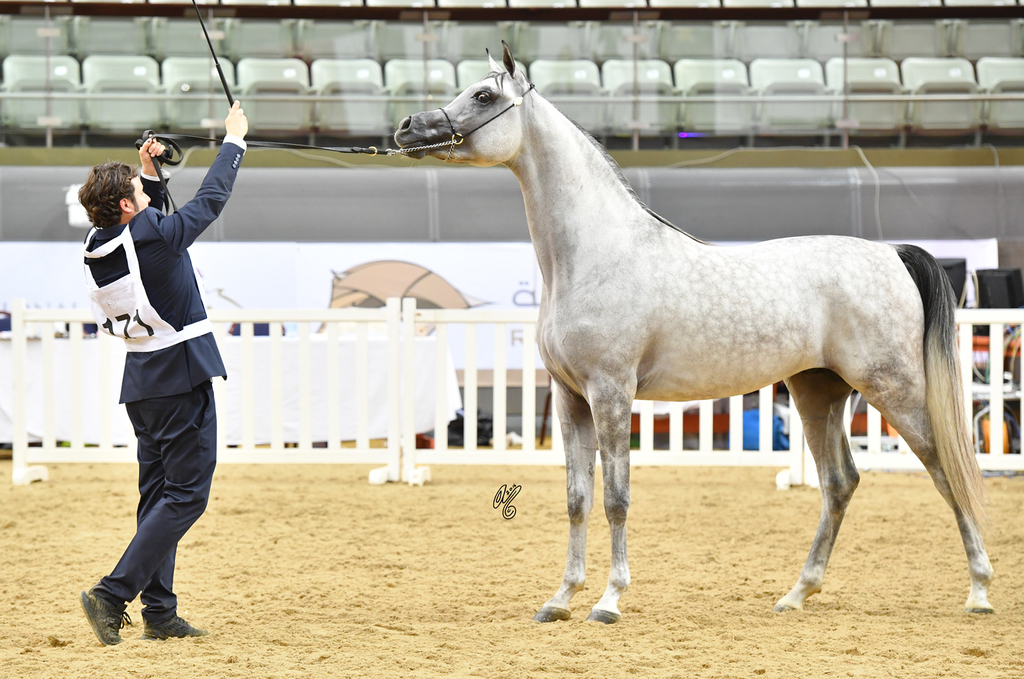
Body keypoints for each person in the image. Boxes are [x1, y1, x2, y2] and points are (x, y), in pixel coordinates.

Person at [77, 102, 248, 646]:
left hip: (144, 383)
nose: (142, 183)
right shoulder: (149, 233)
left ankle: (161, 612)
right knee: (187, 497)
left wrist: (148, 171)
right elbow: (208, 203)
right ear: (127, 204)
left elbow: (149, 223)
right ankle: (112, 593)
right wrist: (234, 143)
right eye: (136, 185)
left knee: (158, 499)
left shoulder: (102, 240)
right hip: (180, 377)